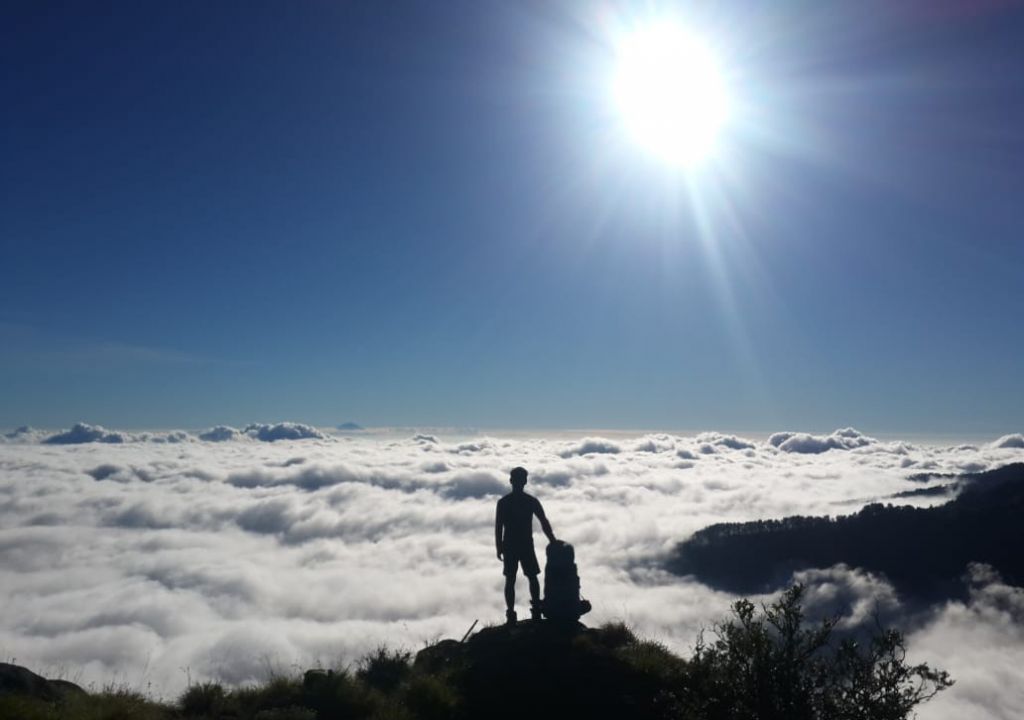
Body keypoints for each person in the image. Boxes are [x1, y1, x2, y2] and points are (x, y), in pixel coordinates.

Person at [495, 466, 556, 624]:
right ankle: (536, 610)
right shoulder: (531, 501)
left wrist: (499, 547)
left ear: (511, 481)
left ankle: (511, 614)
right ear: (525, 481)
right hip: (525, 544)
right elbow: (544, 522)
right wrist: (553, 541)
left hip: (509, 544)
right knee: (532, 577)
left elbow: (498, 527)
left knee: (510, 579)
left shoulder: (503, 503)